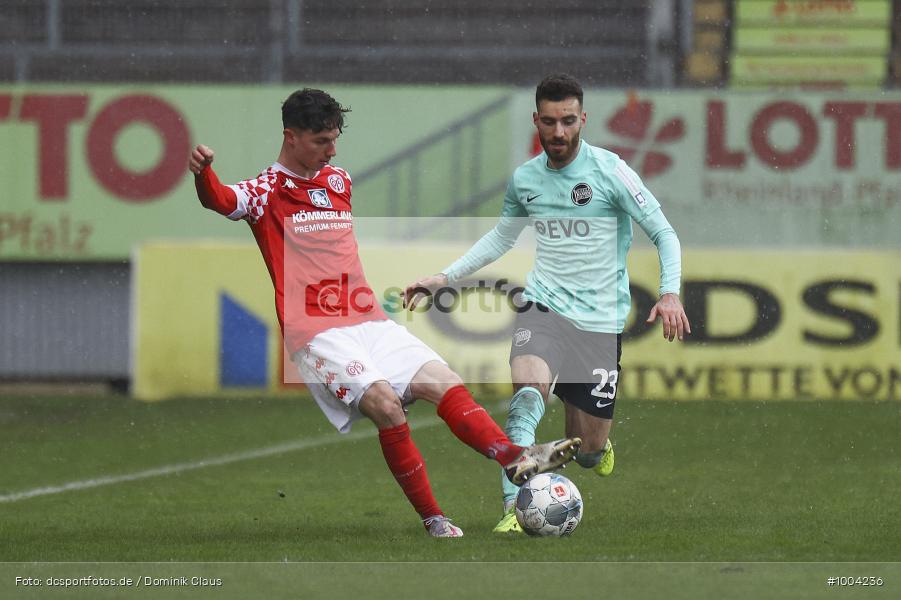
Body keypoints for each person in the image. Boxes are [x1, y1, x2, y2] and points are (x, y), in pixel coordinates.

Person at [187, 88, 581, 538]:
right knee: (386, 406)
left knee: (444, 382)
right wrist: (205, 174)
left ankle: (513, 457)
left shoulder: (339, 181)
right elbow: (219, 199)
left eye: (335, 140)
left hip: (368, 318)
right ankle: (434, 519)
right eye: (321, 141)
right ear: (290, 137)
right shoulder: (265, 192)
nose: (331, 150)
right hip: (316, 332)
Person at [403, 74, 690, 533]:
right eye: (551, 122)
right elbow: (502, 236)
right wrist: (445, 276)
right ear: (537, 119)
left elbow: (664, 233)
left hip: (598, 323)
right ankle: (513, 509)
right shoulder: (526, 179)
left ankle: (597, 448)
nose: (559, 133)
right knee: (525, 399)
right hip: (543, 306)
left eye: (569, 122)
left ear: (583, 120)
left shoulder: (612, 172)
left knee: (590, 450)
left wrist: (670, 291)